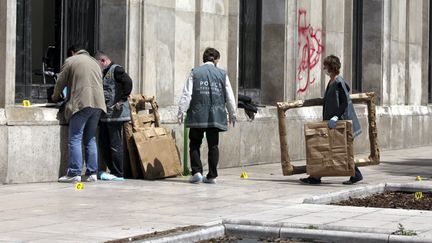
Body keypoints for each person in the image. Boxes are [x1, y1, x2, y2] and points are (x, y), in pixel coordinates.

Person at [300, 55, 363, 185]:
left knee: (340, 150)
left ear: (332, 67)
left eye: (326, 66)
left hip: (340, 122)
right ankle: (316, 177)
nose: (324, 68)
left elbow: (344, 102)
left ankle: (355, 174)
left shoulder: (339, 82)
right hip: (332, 122)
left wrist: (335, 117)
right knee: (327, 149)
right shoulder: (332, 81)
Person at [177, 47, 237, 184]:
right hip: (215, 115)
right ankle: (211, 176)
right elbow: (229, 95)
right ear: (215, 60)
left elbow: (187, 94)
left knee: (195, 143)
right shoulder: (222, 74)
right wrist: (233, 113)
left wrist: (181, 111)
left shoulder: (195, 72)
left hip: (198, 114)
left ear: (204, 59)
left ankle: (196, 172)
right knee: (213, 145)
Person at [52, 45, 107, 183]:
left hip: (82, 103)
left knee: (75, 139)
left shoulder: (71, 60)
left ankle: (74, 173)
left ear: (72, 52)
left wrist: (55, 97)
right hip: (98, 105)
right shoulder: (95, 62)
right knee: (90, 139)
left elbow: (60, 81)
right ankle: (91, 173)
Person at [94, 51, 133, 181]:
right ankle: (112, 170)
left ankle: (118, 173)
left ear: (103, 61)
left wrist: (122, 100)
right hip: (105, 115)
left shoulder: (116, 70)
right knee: (104, 143)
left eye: (98, 64)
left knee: (115, 144)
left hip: (116, 115)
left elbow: (128, 82)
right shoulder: (104, 72)